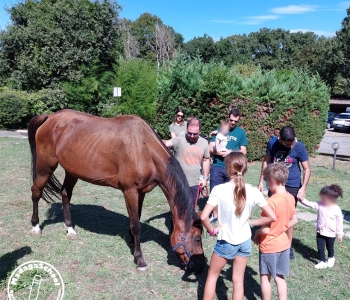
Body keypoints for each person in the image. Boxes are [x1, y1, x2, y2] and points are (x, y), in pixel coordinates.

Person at [200, 152, 276, 300]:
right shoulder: (254, 191)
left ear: (227, 168)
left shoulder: (219, 190)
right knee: (238, 280)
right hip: (245, 241)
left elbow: (203, 216)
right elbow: (272, 216)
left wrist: (212, 230)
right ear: (245, 168)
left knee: (212, 276)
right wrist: (252, 222)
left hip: (225, 241)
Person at [258, 126, 311, 259]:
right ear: (279, 138)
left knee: (288, 216)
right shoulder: (272, 142)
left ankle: (288, 246)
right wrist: (261, 181)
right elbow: (265, 161)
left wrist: (303, 187)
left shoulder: (299, 146)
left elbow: (307, 168)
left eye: (292, 142)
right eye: (287, 144)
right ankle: (270, 240)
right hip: (274, 183)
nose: (290, 145)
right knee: (272, 214)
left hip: (292, 184)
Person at [254, 163, 298, 300]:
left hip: (269, 246)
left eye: (266, 181)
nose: (267, 184)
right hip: (284, 245)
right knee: (279, 276)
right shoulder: (290, 197)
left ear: (272, 181)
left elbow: (266, 228)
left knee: (265, 277)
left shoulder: (270, 202)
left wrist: (256, 233)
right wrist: (282, 227)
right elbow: (294, 219)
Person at [209, 108, 248, 220]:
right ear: (228, 117)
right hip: (217, 165)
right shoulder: (220, 129)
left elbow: (243, 151)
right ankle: (215, 215)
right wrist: (218, 152)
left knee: (232, 192)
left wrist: (230, 152)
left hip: (232, 167)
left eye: (236, 121)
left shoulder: (241, 133)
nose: (233, 123)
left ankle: (229, 215)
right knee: (214, 191)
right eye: (231, 120)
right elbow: (210, 148)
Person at [163, 118, 210, 201]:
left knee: (191, 208)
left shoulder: (204, 142)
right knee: (178, 209)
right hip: (179, 182)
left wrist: (205, 178)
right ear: (186, 129)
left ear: (200, 130)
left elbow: (206, 160)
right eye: (190, 133)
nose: (192, 136)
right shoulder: (179, 140)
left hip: (195, 183)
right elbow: (166, 143)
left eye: (195, 134)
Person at [299, 184, 344, 269]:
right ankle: (322, 261)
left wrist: (340, 234)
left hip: (331, 233)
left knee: (330, 247)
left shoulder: (336, 209)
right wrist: (301, 199)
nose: (322, 200)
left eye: (324, 199)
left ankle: (331, 258)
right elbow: (310, 204)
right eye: (322, 198)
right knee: (320, 247)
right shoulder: (320, 204)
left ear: (332, 199)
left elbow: (339, 222)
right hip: (321, 231)